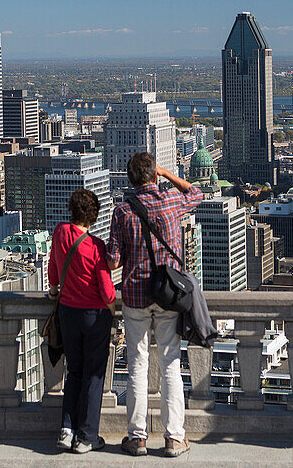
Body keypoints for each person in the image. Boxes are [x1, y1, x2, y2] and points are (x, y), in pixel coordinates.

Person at [107, 153, 203, 458]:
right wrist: (168, 174)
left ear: (130, 180)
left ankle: (137, 437)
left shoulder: (122, 211)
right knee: (170, 364)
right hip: (169, 295)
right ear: (154, 177)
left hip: (134, 296)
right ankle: (174, 437)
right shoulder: (170, 201)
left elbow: (112, 260)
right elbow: (196, 193)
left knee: (136, 365)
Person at [49, 189, 115, 454]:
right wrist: (111, 310)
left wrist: (54, 290)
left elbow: (54, 268)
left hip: (67, 312)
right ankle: (86, 436)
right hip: (93, 315)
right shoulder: (96, 246)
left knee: (73, 371)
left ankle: (67, 430)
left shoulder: (60, 232)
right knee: (94, 375)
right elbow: (107, 291)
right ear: (94, 216)